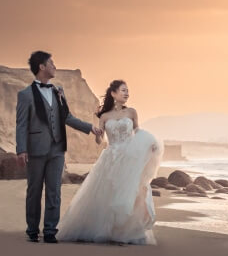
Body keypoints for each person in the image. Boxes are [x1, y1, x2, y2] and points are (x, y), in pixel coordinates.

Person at [56, 79, 163, 244]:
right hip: (111, 157)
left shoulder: (132, 112)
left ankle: (124, 231)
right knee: (107, 193)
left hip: (128, 157)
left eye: (128, 91)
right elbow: (99, 141)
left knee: (128, 193)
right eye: (123, 90)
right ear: (113, 93)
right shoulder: (104, 116)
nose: (127, 93)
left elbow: (138, 132)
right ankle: (106, 230)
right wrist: (98, 134)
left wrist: (151, 145)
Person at [15, 50, 100, 243]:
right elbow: (21, 124)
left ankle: (51, 230)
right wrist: (21, 149)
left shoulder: (58, 91)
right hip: (35, 148)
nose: (55, 66)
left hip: (57, 149)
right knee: (34, 191)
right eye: (51, 63)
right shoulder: (25, 95)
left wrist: (90, 128)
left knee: (54, 190)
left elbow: (67, 117)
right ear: (42, 67)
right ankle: (32, 230)